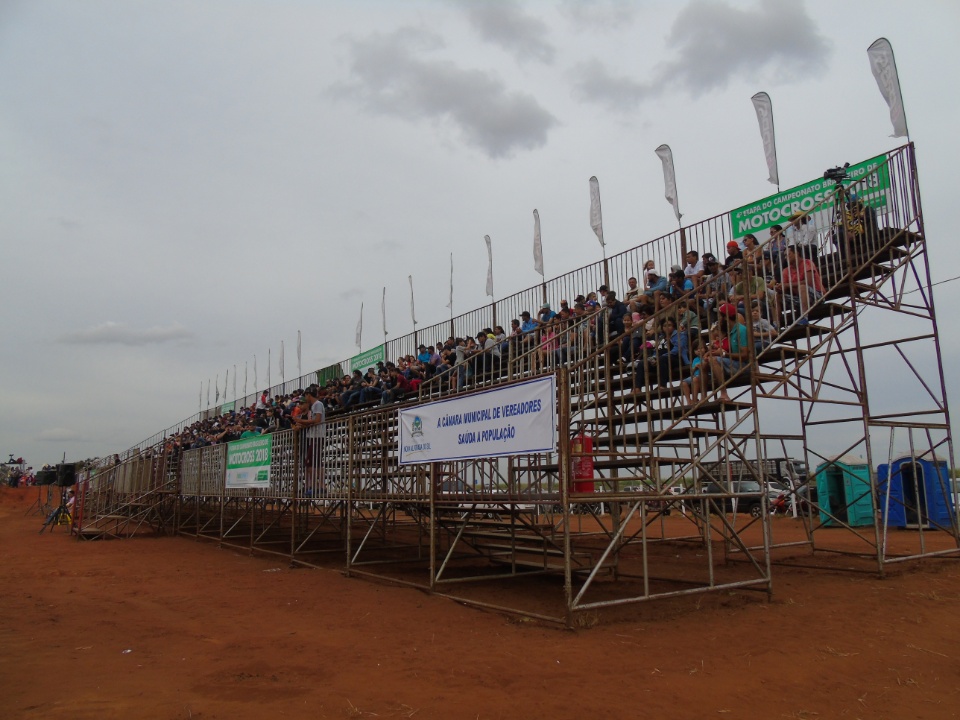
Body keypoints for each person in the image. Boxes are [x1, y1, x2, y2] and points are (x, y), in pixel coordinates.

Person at [706, 304, 751, 402]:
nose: (718, 319)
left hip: (745, 365)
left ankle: (724, 393)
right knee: (706, 361)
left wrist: (723, 354)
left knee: (713, 360)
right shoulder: (730, 331)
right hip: (736, 362)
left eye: (720, 316)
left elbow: (744, 355)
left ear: (726, 317)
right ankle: (703, 398)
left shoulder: (741, 330)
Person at [778, 245, 824, 322]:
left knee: (802, 287)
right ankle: (777, 324)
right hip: (800, 298)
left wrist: (788, 285)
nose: (786, 257)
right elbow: (783, 288)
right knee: (776, 296)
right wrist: (778, 288)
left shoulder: (807, 262)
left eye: (788, 254)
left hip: (817, 295)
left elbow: (808, 282)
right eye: (785, 255)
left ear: (796, 253)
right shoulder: (785, 271)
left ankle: (804, 317)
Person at [293, 388, 326, 492]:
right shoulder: (314, 405)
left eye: (305, 396)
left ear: (308, 395)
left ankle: (318, 486)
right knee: (315, 462)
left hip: (317, 435)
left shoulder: (317, 404)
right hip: (314, 436)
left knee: (311, 463)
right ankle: (319, 486)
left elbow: (317, 420)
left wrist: (301, 421)